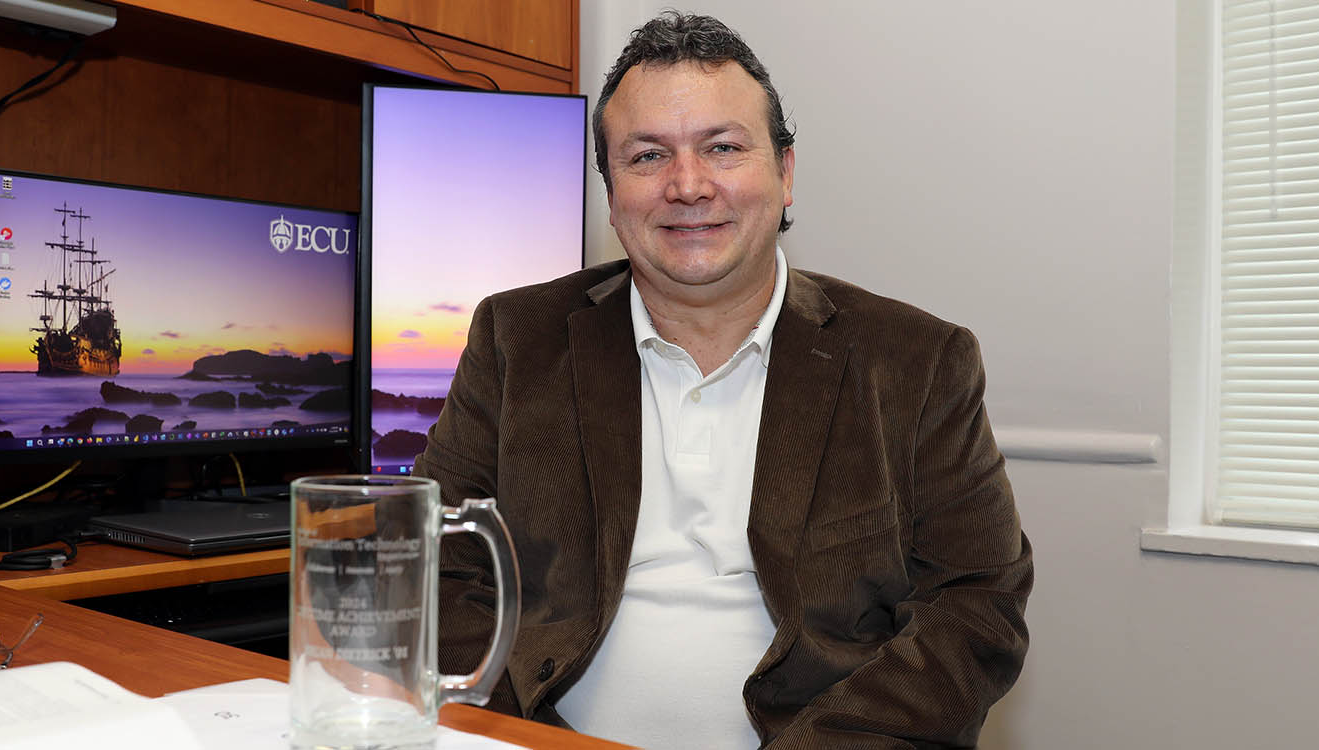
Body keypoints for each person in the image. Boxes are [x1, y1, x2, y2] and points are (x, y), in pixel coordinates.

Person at [414, 11, 1032, 749]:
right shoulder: (519, 338)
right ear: (611, 194)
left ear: (785, 172)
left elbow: (976, 607)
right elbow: (437, 568)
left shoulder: (918, 361)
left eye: (724, 147)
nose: (688, 185)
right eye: (646, 157)